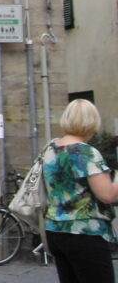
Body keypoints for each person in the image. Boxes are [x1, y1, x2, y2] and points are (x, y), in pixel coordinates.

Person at [43, 98, 118, 283]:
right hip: (85, 232)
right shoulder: (86, 153)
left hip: (55, 230)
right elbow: (107, 195)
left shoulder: (50, 149)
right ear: (92, 122)